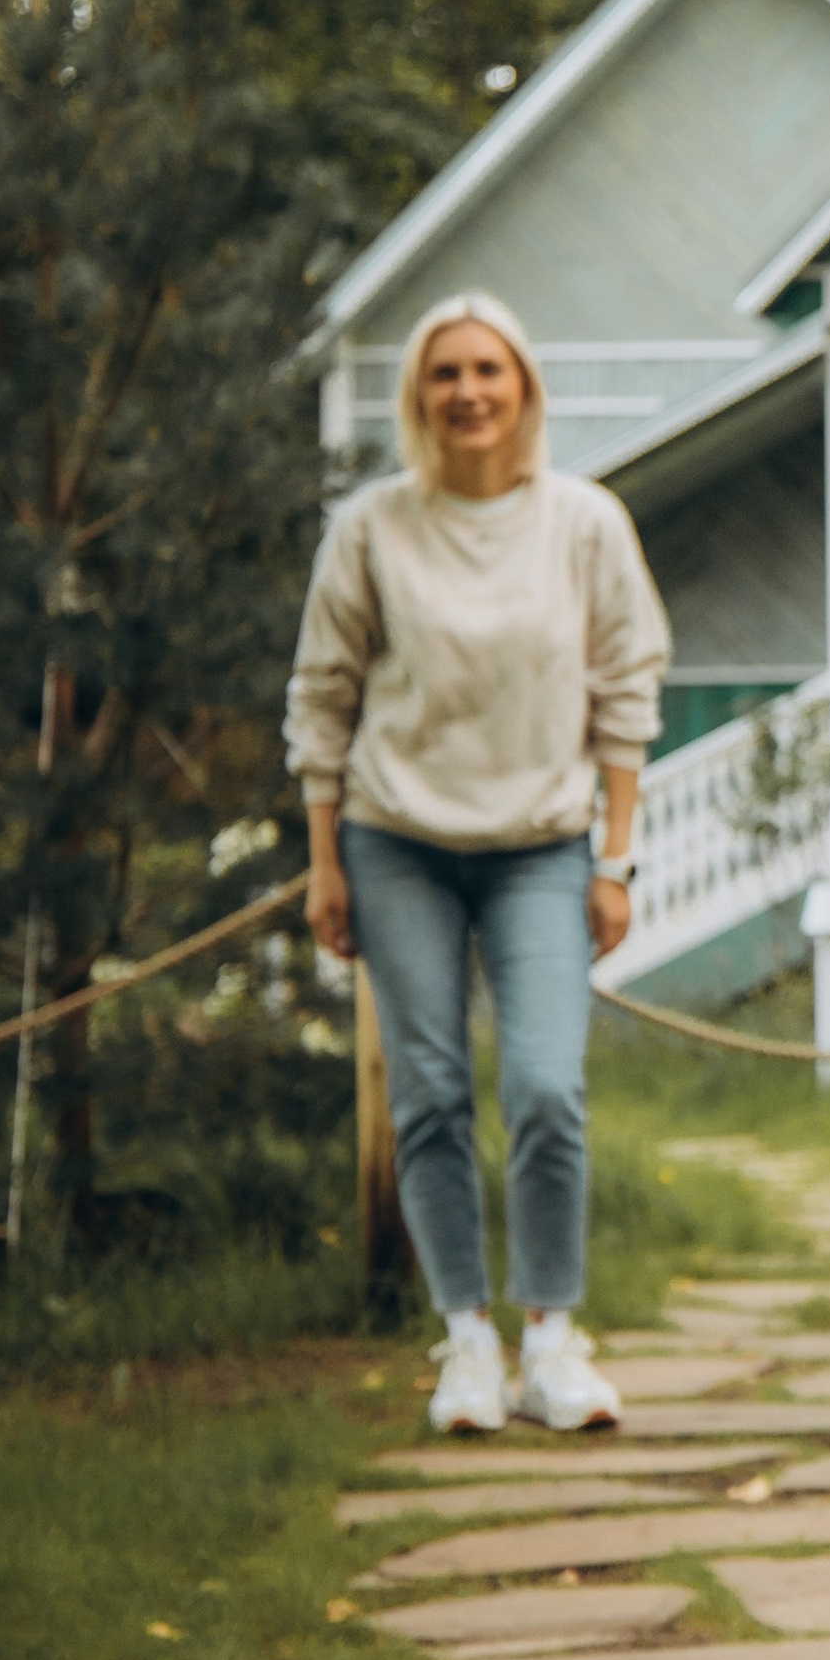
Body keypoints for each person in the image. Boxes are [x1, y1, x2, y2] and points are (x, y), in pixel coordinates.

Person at [286, 290, 670, 1438]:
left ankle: (550, 1340)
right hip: (394, 841)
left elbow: (626, 691)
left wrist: (615, 859)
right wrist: (323, 861)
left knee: (547, 1088)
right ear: (418, 397)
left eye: (488, 370)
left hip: (541, 848)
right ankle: (465, 1342)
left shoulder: (585, 524)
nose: (468, 392)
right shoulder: (372, 530)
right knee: (431, 1095)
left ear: (523, 388)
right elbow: (322, 697)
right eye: (445, 373)